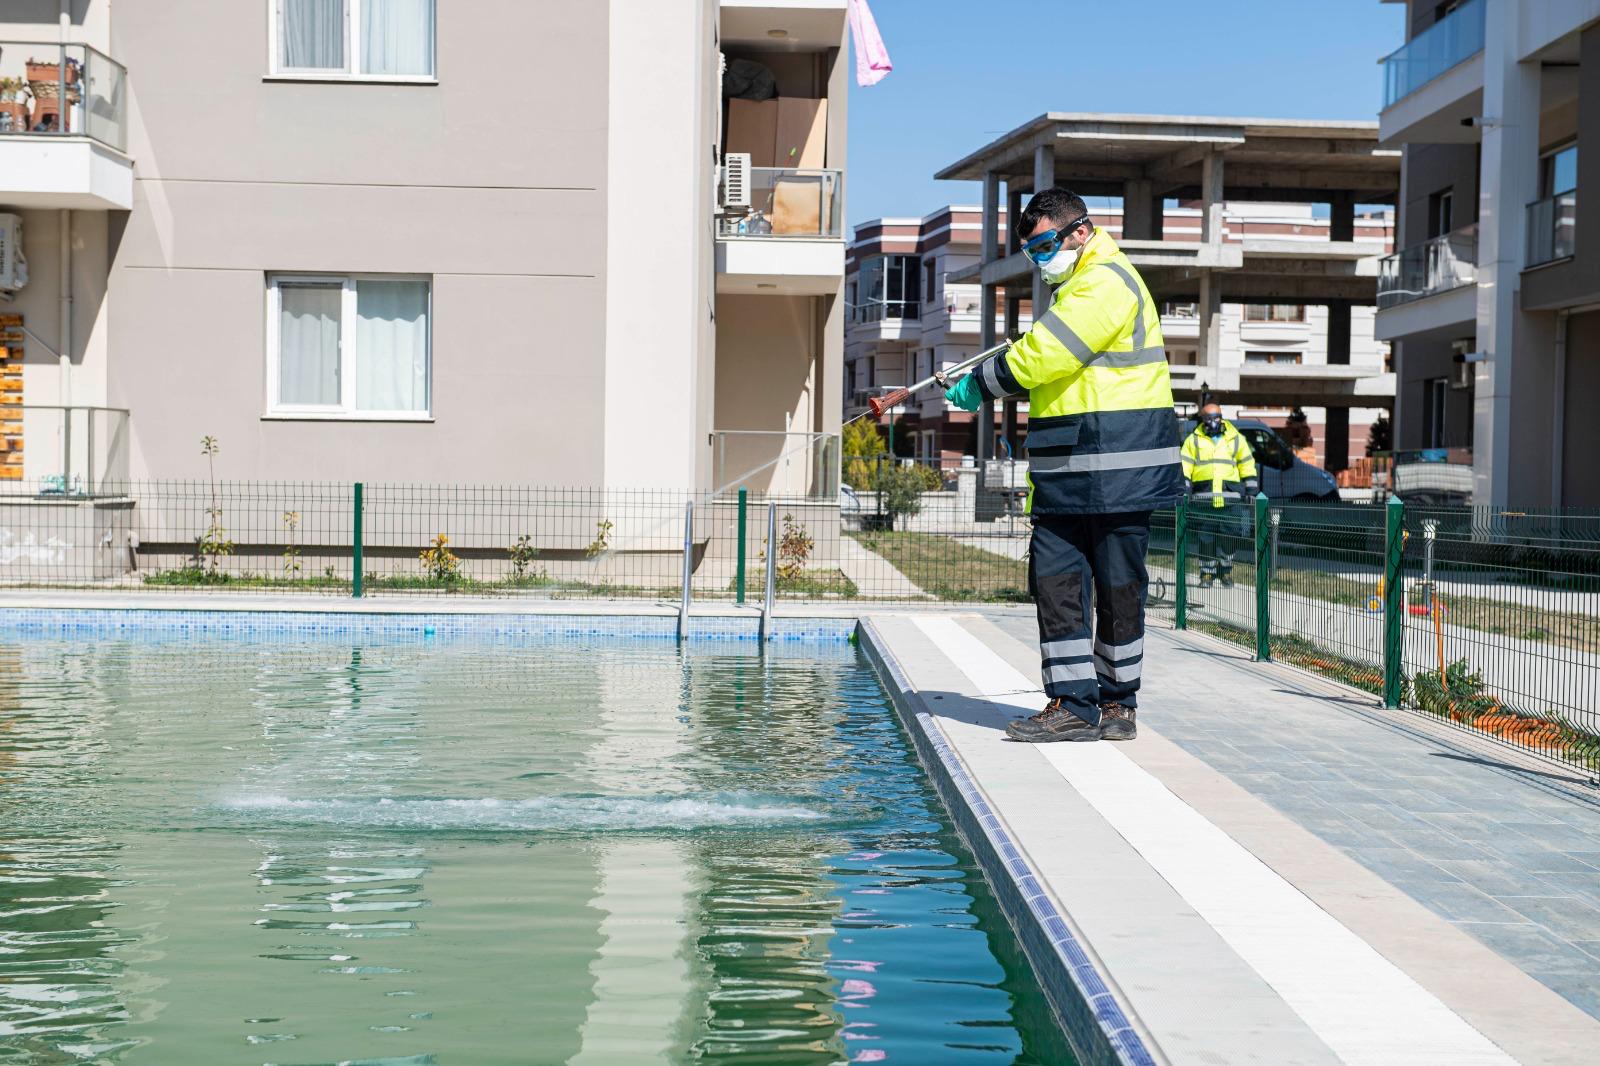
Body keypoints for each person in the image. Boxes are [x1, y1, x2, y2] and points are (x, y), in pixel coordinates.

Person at [944, 187, 1182, 743]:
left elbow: (1048, 354)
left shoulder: (1105, 280)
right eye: (1033, 251)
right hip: (1076, 467)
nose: (1041, 258)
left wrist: (982, 382)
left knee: (1116, 585)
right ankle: (1078, 702)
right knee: (1060, 584)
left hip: (1116, 463)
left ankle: (1115, 704)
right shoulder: (1080, 285)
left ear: (1081, 231)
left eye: (1046, 244)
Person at [1180, 402, 1258, 588]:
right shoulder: (1194, 440)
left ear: (1221, 417)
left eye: (1216, 417)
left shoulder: (1235, 438)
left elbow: (1246, 463)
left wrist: (1251, 490)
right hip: (1204, 499)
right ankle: (1207, 574)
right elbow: (1185, 465)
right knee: (1205, 537)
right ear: (1202, 419)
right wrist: (1185, 489)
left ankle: (1226, 570)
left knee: (1230, 536)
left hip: (1230, 498)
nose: (1213, 422)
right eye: (1208, 418)